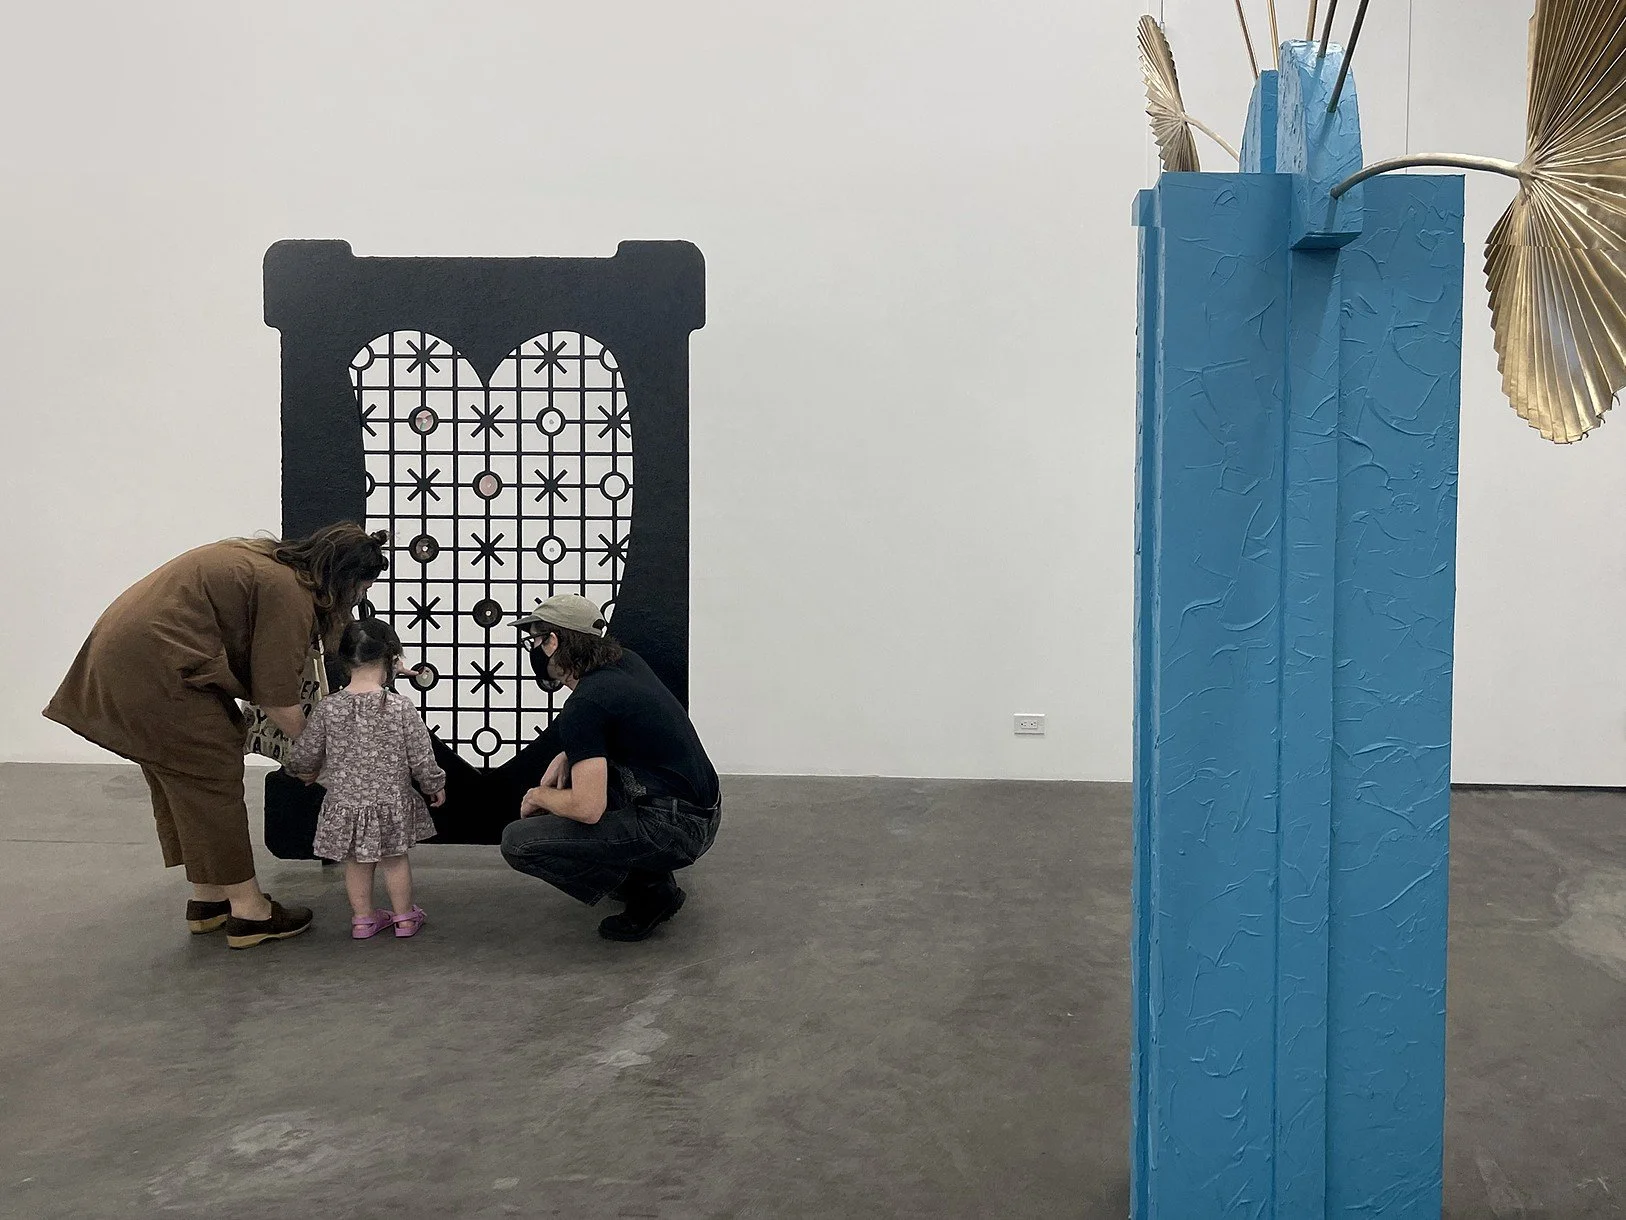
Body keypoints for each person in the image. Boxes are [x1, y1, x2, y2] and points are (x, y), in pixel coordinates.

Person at [43, 523, 390, 949]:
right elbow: (277, 697)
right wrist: (317, 755)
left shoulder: (263, 560)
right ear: (342, 579)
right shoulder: (289, 593)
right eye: (360, 591)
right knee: (212, 774)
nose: (357, 601)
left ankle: (209, 900)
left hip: (127, 662)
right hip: (156, 671)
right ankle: (250, 913)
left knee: (184, 781)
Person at [499, 594, 722, 941]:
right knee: (583, 776)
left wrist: (538, 796)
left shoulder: (585, 704)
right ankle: (648, 873)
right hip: (704, 814)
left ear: (553, 642)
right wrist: (569, 753)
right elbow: (621, 724)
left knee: (518, 842)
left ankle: (648, 892)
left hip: (674, 831)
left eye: (535, 641)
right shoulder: (625, 663)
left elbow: (588, 808)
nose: (534, 651)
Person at [288, 617, 446, 939]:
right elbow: (420, 754)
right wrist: (433, 784)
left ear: (344, 660)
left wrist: (302, 770)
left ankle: (363, 920)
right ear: (391, 659)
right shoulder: (399, 708)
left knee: (356, 862)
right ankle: (404, 918)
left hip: (346, 805)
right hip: (391, 805)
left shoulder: (329, 708)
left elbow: (306, 752)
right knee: (395, 860)